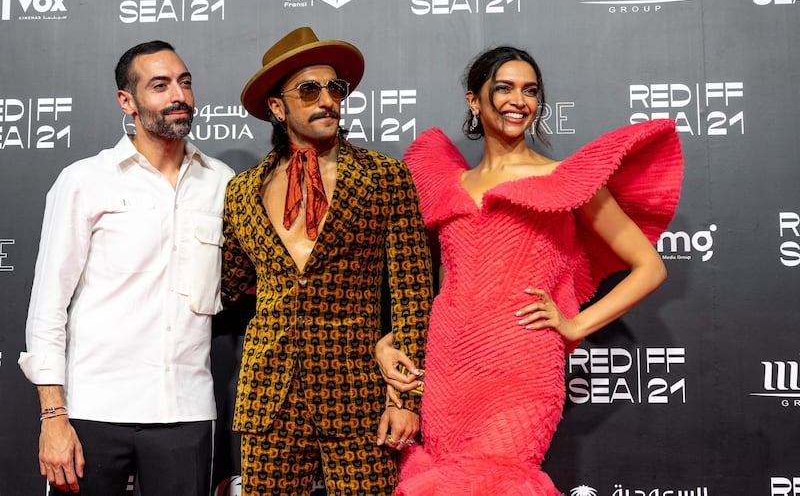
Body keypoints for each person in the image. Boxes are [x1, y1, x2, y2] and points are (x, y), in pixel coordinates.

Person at [375, 46, 684, 495]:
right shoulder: (447, 184)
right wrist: (391, 339)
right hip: (448, 368)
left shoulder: (563, 178)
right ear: (474, 101)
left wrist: (574, 323)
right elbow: (443, 283)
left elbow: (649, 267)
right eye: (504, 88)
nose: (519, 100)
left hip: (521, 368)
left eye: (530, 91)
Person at [221, 27, 432, 495]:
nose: (328, 100)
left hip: (360, 395)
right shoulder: (241, 191)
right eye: (309, 89)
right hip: (268, 395)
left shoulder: (384, 177)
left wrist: (406, 397)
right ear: (278, 107)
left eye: (335, 88)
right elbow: (227, 283)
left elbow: (413, 292)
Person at [18, 40, 234, 495]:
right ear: (128, 101)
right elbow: (47, 309)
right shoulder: (84, 181)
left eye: (185, 82)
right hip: (92, 410)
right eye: (160, 85)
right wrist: (53, 416)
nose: (179, 95)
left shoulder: (222, 183)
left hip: (186, 413)